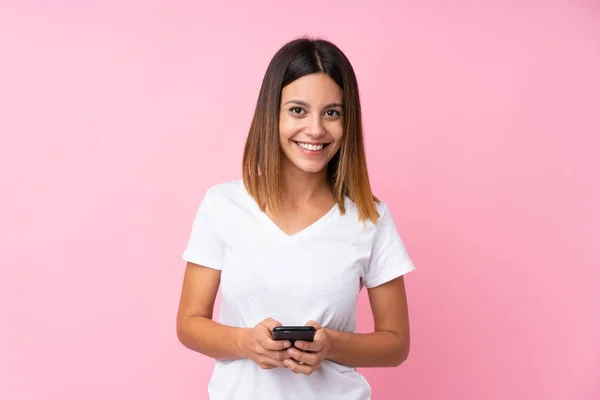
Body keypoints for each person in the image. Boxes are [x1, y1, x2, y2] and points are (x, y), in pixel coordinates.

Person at [176, 36, 415, 400]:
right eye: (298, 110)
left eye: (331, 112)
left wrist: (330, 345)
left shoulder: (371, 216)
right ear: (272, 113)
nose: (316, 130)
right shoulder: (221, 205)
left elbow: (396, 344)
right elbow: (189, 324)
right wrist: (245, 342)